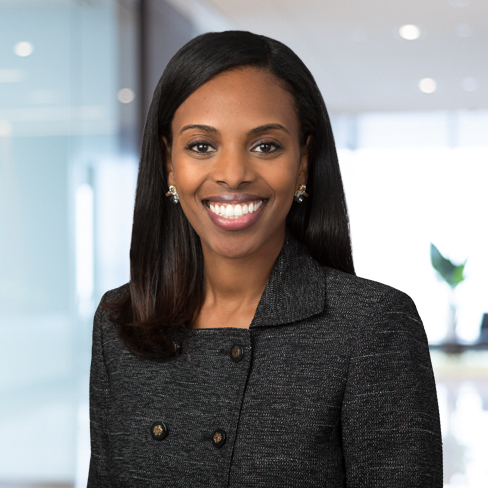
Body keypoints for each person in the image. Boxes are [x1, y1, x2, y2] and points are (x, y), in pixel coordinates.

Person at [88, 30, 443, 487]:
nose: (233, 173)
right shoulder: (122, 323)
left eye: (265, 146)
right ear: (169, 163)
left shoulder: (372, 324)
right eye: (201, 146)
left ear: (302, 163)